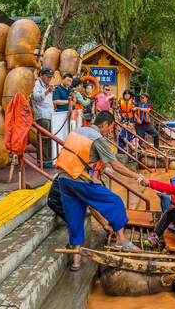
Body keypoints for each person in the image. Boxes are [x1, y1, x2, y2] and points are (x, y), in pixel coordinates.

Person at [56, 111, 145, 270]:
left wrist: (103, 223)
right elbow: (116, 166)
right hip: (80, 180)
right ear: (104, 124)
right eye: (110, 129)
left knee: (75, 218)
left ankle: (76, 260)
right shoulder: (97, 138)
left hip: (63, 180)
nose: (109, 133)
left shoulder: (76, 131)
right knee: (115, 202)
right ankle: (121, 241)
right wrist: (137, 176)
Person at [31, 68, 56, 168]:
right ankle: (44, 161)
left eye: (50, 77)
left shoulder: (45, 85)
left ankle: (47, 159)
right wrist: (47, 91)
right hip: (42, 115)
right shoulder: (37, 84)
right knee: (44, 139)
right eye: (47, 76)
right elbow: (37, 97)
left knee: (48, 138)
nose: (49, 78)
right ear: (41, 75)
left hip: (49, 115)